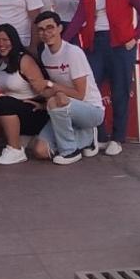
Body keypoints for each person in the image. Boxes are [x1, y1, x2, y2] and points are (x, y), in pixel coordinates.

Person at [63, 0, 140, 156]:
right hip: (96, 44)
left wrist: (135, 37)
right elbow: (79, 18)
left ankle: (118, 137)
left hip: (121, 45)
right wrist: (63, 41)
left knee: (120, 91)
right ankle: (99, 136)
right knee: (91, 90)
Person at [31, 11, 104, 165]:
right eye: (41, 29)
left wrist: (51, 86)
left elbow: (80, 94)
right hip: (65, 107)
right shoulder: (45, 54)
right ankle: (86, 137)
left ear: (59, 29)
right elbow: (53, 91)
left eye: (50, 28)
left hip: (90, 109)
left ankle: (70, 151)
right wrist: (43, 98)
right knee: (40, 150)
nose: (46, 33)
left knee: (56, 100)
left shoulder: (73, 53)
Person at [0, 23, 51, 165]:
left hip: (33, 111)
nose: (1, 44)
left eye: (6, 40)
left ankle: (15, 150)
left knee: (4, 103)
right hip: (14, 112)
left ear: (13, 41)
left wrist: (43, 105)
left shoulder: (25, 60)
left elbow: (43, 88)